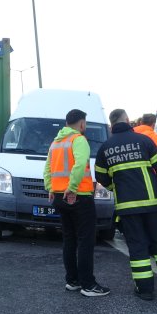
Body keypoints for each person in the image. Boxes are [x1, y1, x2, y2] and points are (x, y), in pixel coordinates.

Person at [95, 109, 157, 301]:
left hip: (127, 207)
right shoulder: (144, 141)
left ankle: (145, 290)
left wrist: (114, 186)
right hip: (153, 204)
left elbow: (100, 176)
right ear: (127, 120)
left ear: (111, 124)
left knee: (138, 247)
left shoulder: (105, 148)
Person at [43, 109, 110, 297]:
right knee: (85, 241)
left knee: (69, 239)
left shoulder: (56, 142)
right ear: (81, 124)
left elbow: (47, 168)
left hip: (59, 196)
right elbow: (80, 165)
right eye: (85, 124)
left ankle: (72, 281)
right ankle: (88, 285)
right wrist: (72, 187)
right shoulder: (79, 140)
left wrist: (51, 188)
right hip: (78, 196)